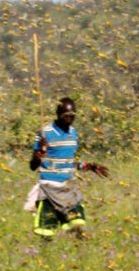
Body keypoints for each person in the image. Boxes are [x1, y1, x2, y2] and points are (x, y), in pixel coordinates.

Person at [27, 97, 109, 238]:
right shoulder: (45, 133)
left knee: (77, 224)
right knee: (46, 232)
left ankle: (80, 254)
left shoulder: (73, 133)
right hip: (49, 187)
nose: (70, 119)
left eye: (72, 116)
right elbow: (32, 166)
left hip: (68, 187)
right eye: (66, 116)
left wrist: (89, 166)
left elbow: (68, 162)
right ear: (58, 114)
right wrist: (40, 152)